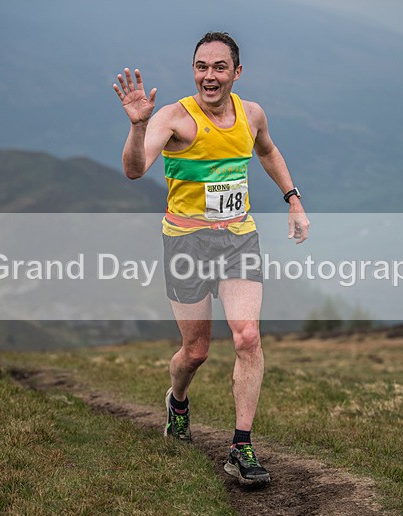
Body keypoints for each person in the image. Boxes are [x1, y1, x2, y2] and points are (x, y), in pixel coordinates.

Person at [112, 31, 309, 485]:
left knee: (247, 338)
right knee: (195, 352)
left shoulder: (251, 114)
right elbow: (134, 169)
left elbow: (268, 151)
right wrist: (138, 125)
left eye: (220, 67)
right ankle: (178, 402)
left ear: (236, 72)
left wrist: (293, 198)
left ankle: (241, 447)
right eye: (202, 67)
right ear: (193, 71)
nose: (210, 76)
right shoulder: (173, 118)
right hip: (186, 244)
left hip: (238, 239)